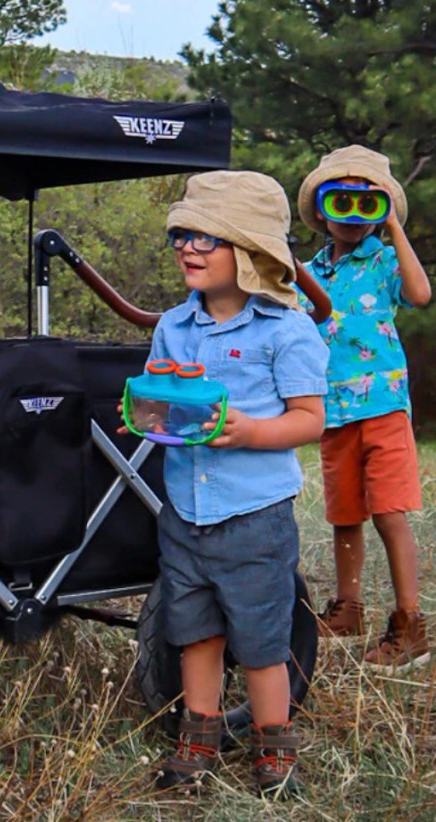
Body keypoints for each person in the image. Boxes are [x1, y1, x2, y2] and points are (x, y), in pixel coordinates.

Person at [136, 171, 329, 798]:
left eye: (206, 238)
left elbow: (309, 420)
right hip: (185, 511)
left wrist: (249, 431)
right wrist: (149, 414)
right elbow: (159, 402)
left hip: (253, 516)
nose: (188, 248)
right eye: (182, 236)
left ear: (249, 251)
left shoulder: (285, 330)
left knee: (261, 639)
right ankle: (199, 738)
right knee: (193, 631)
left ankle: (275, 750)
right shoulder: (173, 326)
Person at [297, 145, 431, 671]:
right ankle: (347, 611)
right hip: (332, 412)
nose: (353, 218)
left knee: (390, 513)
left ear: (382, 210)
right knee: (345, 513)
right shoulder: (308, 271)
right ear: (322, 210)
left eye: (366, 206)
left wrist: (394, 228)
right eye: (341, 203)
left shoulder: (383, 259)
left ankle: (409, 623)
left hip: (382, 405)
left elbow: (419, 294)